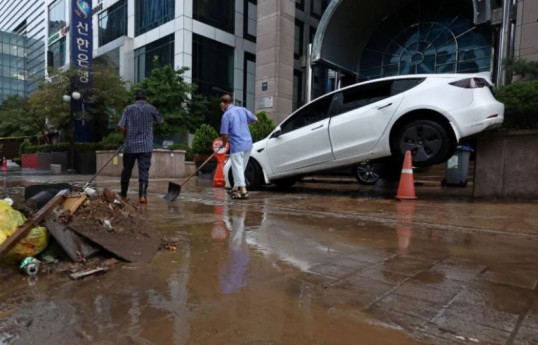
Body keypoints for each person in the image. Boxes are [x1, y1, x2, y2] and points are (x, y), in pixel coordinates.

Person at [118, 88, 163, 203]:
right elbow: (160, 121)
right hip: (146, 146)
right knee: (144, 171)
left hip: (130, 146)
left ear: (135, 98)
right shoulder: (151, 108)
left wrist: (125, 136)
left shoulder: (128, 109)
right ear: (146, 98)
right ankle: (142, 196)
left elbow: (121, 127)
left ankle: (123, 195)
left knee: (126, 170)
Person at [219, 94, 257, 200]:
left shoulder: (226, 115)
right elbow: (255, 119)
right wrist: (244, 123)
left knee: (238, 168)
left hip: (237, 144)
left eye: (221, 105)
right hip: (248, 144)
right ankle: (235, 190)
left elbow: (225, 135)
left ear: (223, 104)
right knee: (240, 168)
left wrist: (223, 143)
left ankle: (244, 191)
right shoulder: (242, 110)